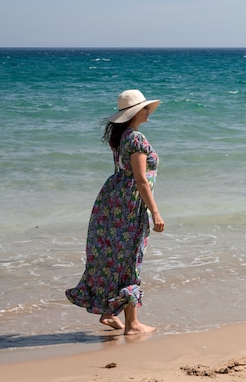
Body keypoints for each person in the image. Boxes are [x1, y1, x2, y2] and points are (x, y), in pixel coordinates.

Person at [66, 89, 165, 335]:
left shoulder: (120, 137)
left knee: (112, 258)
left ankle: (108, 313)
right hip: (130, 205)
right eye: (146, 109)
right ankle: (132, 325)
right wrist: (155, 212)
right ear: (137, 112)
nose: (148, 112)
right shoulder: (137, 139)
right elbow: (141, 180)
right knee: (130, 260)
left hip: (111, 202)